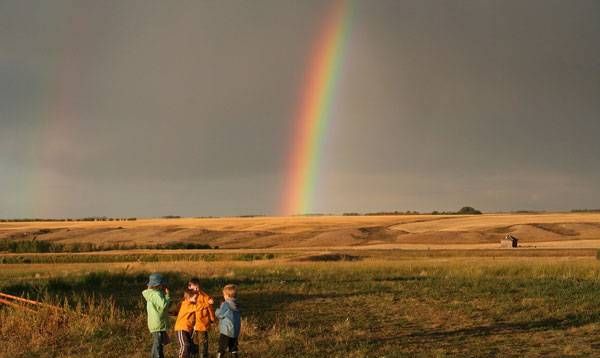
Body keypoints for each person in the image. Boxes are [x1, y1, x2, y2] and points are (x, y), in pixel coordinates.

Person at [142, 273, 171, 358]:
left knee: (159, 343)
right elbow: (164, 305)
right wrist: (167, 295)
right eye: (162, 284)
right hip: (158, 323)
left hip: (154, 322)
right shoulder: (157, 294)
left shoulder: (150, 293)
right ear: (159, 285)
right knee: (157, 344)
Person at [188, 278, 216, 358]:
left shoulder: (204, 296)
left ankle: (203, 355)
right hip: (190, 323)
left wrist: (212, 318)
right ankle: (193, 354)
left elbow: (210, 308)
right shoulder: (187, 297)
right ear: (189, 287)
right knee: (190, 341)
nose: (196, 290)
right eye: (194, 288)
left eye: (198, 288)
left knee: (203, 342)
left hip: (202, 323)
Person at [216, 284, 241, 358]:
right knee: (233, 346)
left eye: (224, 294)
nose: (223, 296)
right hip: (235, 331)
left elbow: (220, 314)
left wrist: (217, 310)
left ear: (227, 295)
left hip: (226, 330)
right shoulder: (237, 305)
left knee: (222, 347)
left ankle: (219, 356)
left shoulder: (226, 304)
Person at [174, 288, 199, 358]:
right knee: (185, 345)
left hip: (188, 329)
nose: (197, 299)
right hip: (181, 328)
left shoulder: (191, 304)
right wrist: (206, 303)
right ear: (188, 298)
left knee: (192, 346)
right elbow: (198, 308)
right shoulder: (186, 304)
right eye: (195, 298)